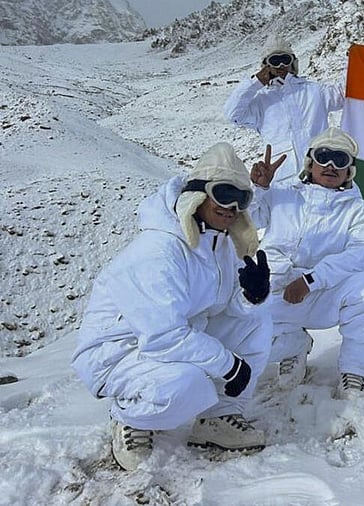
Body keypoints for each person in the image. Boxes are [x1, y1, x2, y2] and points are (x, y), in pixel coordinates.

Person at [71, 143, 273, 472]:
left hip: (178, 335)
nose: (232, 206)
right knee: (188, 383)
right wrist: (228, 365)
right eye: (223, 193)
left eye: (242, 198)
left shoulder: (217, 241)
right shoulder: (159, 250)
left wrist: (250, 295)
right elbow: (164, 336)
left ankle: (217, 417)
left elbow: (218, 308)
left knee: (258, 321)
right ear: (197, 194)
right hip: (117, 352)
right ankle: (129, 419)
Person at [248, 127, 364, 399]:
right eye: (324, 157)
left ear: (350, 171)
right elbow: (248, 222)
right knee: (245, 338)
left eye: (340, 159)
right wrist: (259, 189)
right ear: (310, 163)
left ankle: (356, 371)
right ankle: (294, 345)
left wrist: (311, 280)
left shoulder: (359, 212)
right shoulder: (281, 195)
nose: (331, 166)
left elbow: (362, 255)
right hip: (274, 290)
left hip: (323, 293)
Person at [224, 33, 344, 187]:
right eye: (275, 60)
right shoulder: (261, 101)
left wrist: (353, 62)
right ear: (266, 65)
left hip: (319, 174)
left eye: (284, 59)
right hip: (283, 181)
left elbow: (344, 94)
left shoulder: (314, 91)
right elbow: (232, 114)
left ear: (292, 62)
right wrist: (255, 82)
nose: (280, 65)